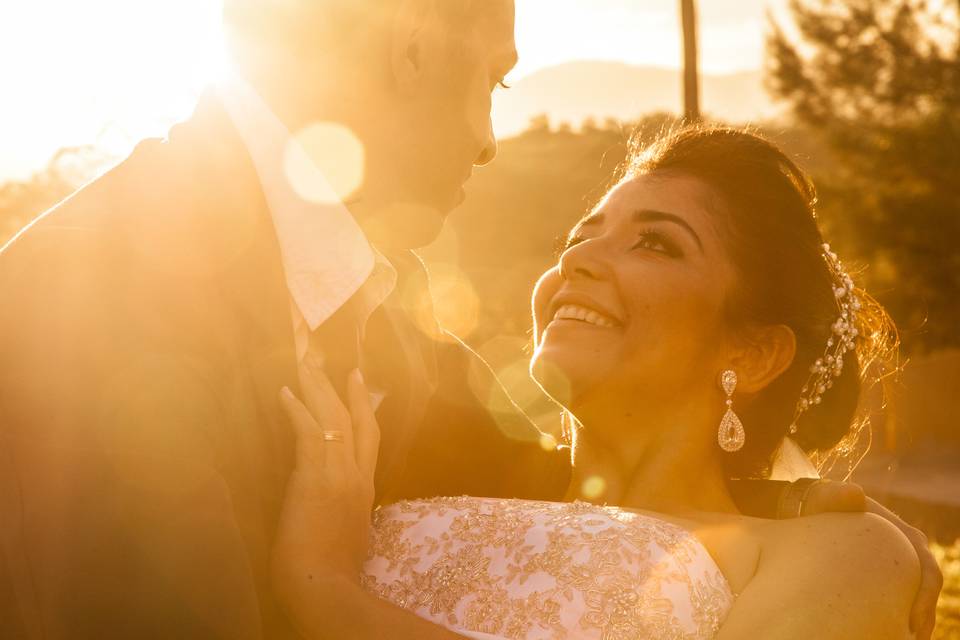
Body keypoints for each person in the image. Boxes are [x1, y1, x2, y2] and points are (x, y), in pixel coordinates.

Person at [0, 1, 939, 638]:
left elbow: (583, 507)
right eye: (494, 80)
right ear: (410, 49)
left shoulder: (389, 336)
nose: (491, 142)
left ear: (758, 347)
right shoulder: (84, 291)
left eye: (656, 242)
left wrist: (786, 515)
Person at [273, 127, 930, 639]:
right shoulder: (429, 454)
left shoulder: (838, 550)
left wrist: (328, 594)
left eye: (656, 245)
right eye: (582, 236)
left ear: (754, 353)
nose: (576, 259)